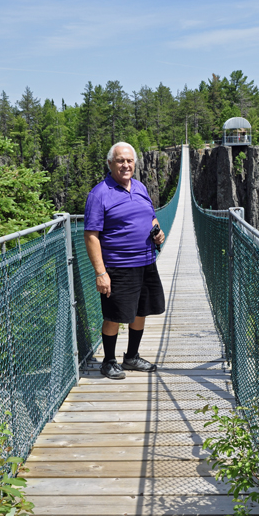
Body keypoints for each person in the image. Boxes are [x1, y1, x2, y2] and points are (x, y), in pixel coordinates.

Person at [84, 142, 165, 380]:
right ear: (110, 164)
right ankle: (108, 362)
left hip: (146, 261)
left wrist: (157, 231)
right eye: (120, 161)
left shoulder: (139, 187)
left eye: (129, 161)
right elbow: (91, 235)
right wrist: (101, 272)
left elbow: (150, 217)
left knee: (141, 311)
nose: (126, 165)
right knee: (114, 315)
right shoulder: (99, 194)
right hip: (118, 266)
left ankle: (131, 357)